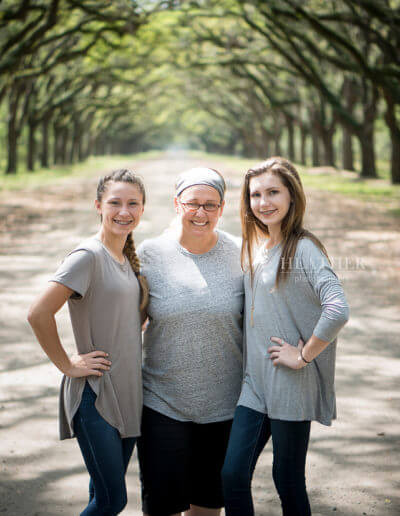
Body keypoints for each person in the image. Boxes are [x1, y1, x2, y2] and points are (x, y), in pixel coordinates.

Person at [221, 157, 350, 516]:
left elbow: (338, 308)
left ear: (292, 195)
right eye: (256, 194)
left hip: (291, 383)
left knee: (287, 479)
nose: (264, 202)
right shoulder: (260, 247)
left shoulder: (303, 249)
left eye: (273, 192)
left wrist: (305, 355)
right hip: (254, 385)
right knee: (232, 475)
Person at [27, 169, 148, 515]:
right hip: (95, 398)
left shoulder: (126, 260)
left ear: (142, 209)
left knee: (100, 496)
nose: (123, 211)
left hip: (127, 396)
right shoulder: (88, 256)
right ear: (98, 205)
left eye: (132, 204)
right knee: (114, 500)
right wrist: (67, 364)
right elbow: (38, 313)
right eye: (115, 202)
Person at [137, 167, 244, 516]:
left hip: (224, 406)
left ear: (222, 207)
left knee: (208, 510)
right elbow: (126, 321)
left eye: (210, 205)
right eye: (192, 203)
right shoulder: (149, 254)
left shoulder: (243, 255)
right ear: (176, 204)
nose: (201, 212)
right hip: (162, 403)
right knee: (162, 509)